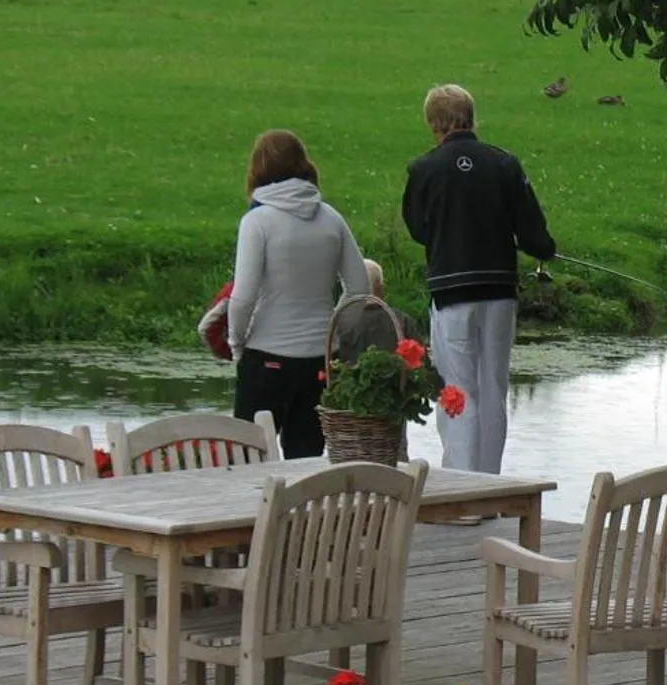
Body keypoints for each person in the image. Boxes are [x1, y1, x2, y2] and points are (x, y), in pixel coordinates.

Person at [400, 84, 556, 475]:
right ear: (472, 117)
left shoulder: (423, 169)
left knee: (458, 391)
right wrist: (544, 248)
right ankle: (488, 486)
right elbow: (534, 233)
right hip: (499, 293)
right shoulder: (504, 164)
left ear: (434, 124)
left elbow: (418, 228)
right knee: (492, 390)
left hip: (452, 294)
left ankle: (461, 489)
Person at [227, 129, 370, 458]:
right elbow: (360, 287)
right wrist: (333, 330)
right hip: (319, 359)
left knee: (248, 459)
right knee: (305, 464)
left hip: (266, 356)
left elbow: (244, 295)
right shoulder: (331, 218)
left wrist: (236, 342)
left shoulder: (257, 221)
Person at [331, 259, 422, 364]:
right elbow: (422, 364)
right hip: (399, 379)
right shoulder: (402, 321)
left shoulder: (340, 325)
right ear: (382, 289)